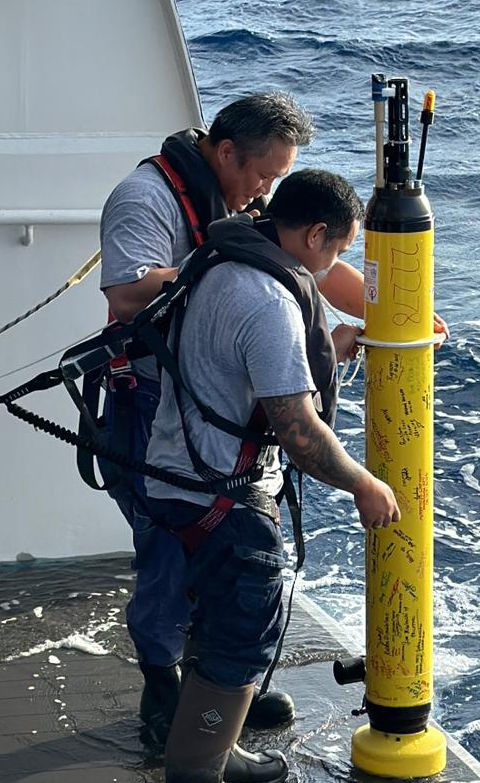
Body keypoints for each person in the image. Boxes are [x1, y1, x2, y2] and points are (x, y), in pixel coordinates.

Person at [98, 93, 409, 748]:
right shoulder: (144, 199)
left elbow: (312, 262)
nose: (264, 192)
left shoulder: (243, 208)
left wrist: (401, 318)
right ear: (228, 152)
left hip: (220, 389)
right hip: (154, 399)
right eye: (262, 177)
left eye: (276, 183)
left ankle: (216, 694)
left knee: (217, 565)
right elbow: (127, 295)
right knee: (168, 554)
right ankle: (165, 692)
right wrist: (222, 260)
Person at [144, 169, 400, 783]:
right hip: (219, 492)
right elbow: (298, 432)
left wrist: (335, 349)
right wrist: (365, 486)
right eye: (338, 250)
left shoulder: (225, 259)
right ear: (314, 234)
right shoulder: (268, 300)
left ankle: (215, 748)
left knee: (216, 620)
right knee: (243, 630)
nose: (335, 264)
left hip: (176, 475)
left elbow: (240, 373)